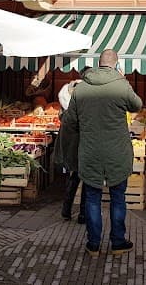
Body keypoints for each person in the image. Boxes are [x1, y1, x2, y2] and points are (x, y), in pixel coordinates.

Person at [61, 49, 143, 257]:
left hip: (90, 152)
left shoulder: (81, 89)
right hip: (117, 152)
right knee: (117, 198)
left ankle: (93, 245)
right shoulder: (121, 85)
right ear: (116, 65)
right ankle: (117, 243)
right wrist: (124, 80)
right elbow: (137, 105)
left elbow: (69, 121)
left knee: (92, 198)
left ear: (98, 64)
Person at [54, 67, 90, 223]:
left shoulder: (67, 89)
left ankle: (66, 210)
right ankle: (82, 214)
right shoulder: (87, 93)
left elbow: (63, 114)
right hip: (83, 142)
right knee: (86, 179)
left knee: (73, 176)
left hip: (71, 143)